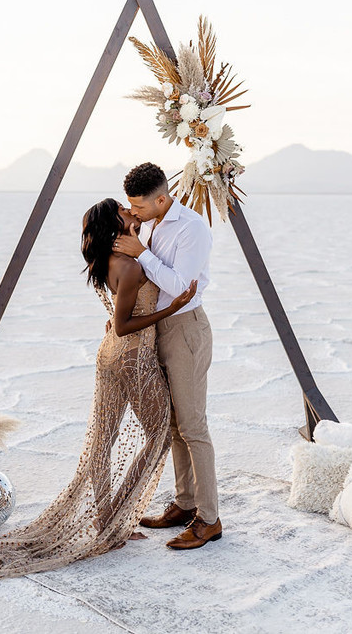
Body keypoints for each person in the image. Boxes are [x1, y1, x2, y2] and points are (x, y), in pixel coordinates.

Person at [0, 198, 196, 580]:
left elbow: (117, 318)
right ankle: (117, 519)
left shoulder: (110, 261)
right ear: (114, 225)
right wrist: (175, 307)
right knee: (159, 434)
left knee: (103, 441)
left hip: (109, 356)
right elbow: (124, 324)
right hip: (132, 358)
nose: (131, 213)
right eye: (125, 213)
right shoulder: (131, 264)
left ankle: (106, 519)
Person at [114, 162, 222, 550]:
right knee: (174, 424)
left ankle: (209, 520)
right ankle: (185, 502)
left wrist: (141, 252)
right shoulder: (152, 223)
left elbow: (180, 287)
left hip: (185, 328)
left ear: (161, 199)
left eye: (139, 207)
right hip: (159, 330)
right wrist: (139, 236)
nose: (134, 213)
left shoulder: (192, 228)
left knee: (193, 426)